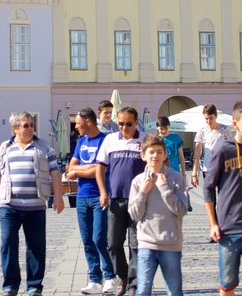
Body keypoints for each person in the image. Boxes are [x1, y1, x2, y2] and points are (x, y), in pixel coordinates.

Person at [0, 111, 64, 296]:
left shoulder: (43, 146)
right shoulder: (5, 148)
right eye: (25, 125)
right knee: (8, 244)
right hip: (9, 205)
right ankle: (10, 285)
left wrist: (58, 197)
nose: (30, 128)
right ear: (15, 129)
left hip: (35, 206)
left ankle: (34, 286)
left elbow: (55, 174)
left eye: (31, 124)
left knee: (36, 247)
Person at [204, 100, 242, 296]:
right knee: (228, 284)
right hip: (229, 228)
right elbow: (208, 187)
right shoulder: (223, 150)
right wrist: (213, 223)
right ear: (235, 124)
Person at [96, 106, 147, 296]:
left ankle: (133, 285)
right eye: (121, 123)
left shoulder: (144, 140)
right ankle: (122, 278)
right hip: (115, 200)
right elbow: (100, 168)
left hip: (138, 201)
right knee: (113, 243)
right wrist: (103, 191)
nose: (124, 127)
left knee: (136, 244)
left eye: (128, 124)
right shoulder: (110, 140)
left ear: (136, 123)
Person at [128, 134, 188, 296]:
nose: (155, 156)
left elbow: (182, 210)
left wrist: (164, 189)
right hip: (147, 243)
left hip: (171, 244)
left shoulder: (176, 179)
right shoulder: (138, 181)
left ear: (165, 154)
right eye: (151, 152)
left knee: (174, 291)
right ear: (143, 155)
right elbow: (134, 214)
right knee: (143, 291)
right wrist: (142, 193)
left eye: (159, 152)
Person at [65, 107, 116, 295]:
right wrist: (87, 169)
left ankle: (110, 277)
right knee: (87, 240)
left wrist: (80, 170)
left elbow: (100, 169)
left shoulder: (105, 140)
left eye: (78, 123)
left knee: (99, 238)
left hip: (99, 195)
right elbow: (71, 168)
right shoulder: (81, 141)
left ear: (88, 121)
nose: (76, 126)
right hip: (81, 196)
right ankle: (95, 279)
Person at [192, 103, 230, 190]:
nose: (209, 121)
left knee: (224, 195)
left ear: (216, 116)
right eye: (206, 119)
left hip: (223, 167)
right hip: (208, 167)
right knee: (209, 197)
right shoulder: (202, 130)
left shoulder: (225, 130)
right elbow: (198, 152)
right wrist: (194, 171)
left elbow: (231, 148)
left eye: (211, 118)